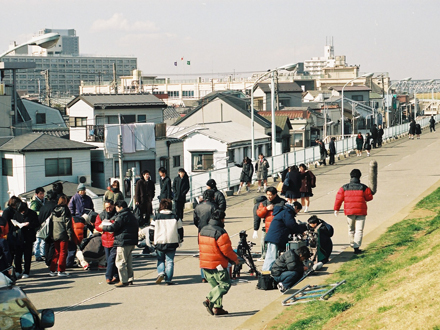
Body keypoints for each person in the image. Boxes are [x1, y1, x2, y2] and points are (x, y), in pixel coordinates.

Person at [199, 210, 239, 316]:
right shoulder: (220, 232)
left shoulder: (202, 230)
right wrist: (235, 259)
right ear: (222, 219)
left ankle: (217, 307)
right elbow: (227, 250)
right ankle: (209, 299)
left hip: (204, 263)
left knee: (216, 287)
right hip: (217, 265)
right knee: (225, 284)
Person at [334, 169, 374, 254]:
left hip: (349, 211)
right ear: (359, 176)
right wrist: (370, 191)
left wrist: (336, 209)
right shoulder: (363, 187)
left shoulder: (344, 187)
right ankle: (356, 247)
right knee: (359, 230)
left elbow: (338, 199)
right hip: (361, 211)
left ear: (350, 176)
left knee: (351, 229)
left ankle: (352, 243)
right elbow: (369, 198)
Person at [100, 200, 139, 287]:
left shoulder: (122, 216)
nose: (116, 210)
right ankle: (130, 278)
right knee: (128, 262)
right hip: (131, 241)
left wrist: (104, 227)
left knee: (120, 261)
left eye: (116, 208)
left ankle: (123, 280)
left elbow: (114, 227)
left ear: (120, 207)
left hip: (123, 241)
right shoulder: (131, 215)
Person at [262, 201, 306, 271]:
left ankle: (269, 271)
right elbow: (291, 225)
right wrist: (301, 231)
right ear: (296, 207)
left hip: (275, 236)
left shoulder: (285, 211)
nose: (297, 212)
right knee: (271, 256)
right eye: (298, 210)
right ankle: (266, 272)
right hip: (275, 237)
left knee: (273, 255)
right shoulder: (287, 212)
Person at [152, 199, 184, 285]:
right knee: (170, 261)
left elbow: (151, 230)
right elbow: (180, 230)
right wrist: (180, 240)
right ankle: (168, 279)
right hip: (172, 241)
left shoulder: (156, 217)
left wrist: (152, 241)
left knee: (160, 259)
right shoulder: (175, 217)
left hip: (159, 241)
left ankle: (161, 272)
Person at [253, 187, 286, 261]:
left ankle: (276, 256)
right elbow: (259, 214)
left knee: (276, 243)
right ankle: (264, 256)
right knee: (263, 242)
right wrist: (266, 209)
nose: (269, 197)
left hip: (278, 227)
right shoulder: (264, 203)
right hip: (267, 227)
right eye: (267, 195)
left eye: (270, 195)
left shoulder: (282, 202)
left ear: (275, 194)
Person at [12, 201, 39, 279]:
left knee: (27, 255)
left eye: (23, 211)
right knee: (18, 255)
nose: (22, 212)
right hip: (19, 236)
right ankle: (18, 270)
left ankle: (26, 271)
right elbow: (14, 221)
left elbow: (37, 224)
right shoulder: (17, 213)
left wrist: (29, 224)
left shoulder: (32, 214)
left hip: (28, 237)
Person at [95, 200, 119, 284]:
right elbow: (97, 226)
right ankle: (116, 276)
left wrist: (107, 225)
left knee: (111, 259)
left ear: (113, 206)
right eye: (106, 208)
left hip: (114, 240)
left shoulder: (117, 214)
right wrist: (103, 227)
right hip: (105, 240)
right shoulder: (101, 215)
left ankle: (108, 276)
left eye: (110, 207)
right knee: (110, 259)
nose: (108, 209)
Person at [49, 196, 73, 277]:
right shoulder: (66, 210)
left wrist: (51, 234)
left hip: (55, 233)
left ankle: (52, 270)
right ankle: (61, 270)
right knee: (63, 252)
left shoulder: (54, 210)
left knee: (56, 252)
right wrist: (69, 235)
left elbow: (50, 223)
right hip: (63, 234)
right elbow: (68, 224)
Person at [2, 196, 20, 266]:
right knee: (10, 252)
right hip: (9, 233)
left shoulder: (13, 211)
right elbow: (4, 223)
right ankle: (9, 267)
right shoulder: (7, 211)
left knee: (15, 252)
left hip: (14, 233)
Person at [30, 187, 46, 262]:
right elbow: (33, 212)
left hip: (43, 223)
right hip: (37, 223)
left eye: (43, 193)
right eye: (40, 194)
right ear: (36, 194)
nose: (42, 195)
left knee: (43, 239)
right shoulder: (35, 202)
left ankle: (42, 254)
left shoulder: (44, 201)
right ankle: (37, 255)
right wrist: (42, 213)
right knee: (38, 240)